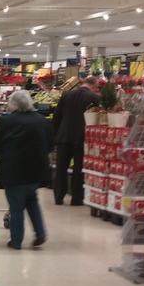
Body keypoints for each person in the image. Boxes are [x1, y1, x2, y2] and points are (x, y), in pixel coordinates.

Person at [0, 90, 53, 250]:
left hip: (14, 170)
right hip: (36, 171)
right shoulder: (41, 120)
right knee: (32, 201)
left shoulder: (7, 121)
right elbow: (50, 144)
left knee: (16, 206)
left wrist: (4, 155)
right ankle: (40, 233)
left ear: (14, 104)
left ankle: (16, 241)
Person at [53, 76, 100, 206]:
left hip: (63, 137)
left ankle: (58, 197)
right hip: (82, 138)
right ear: (93, 86)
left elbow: (57, 116)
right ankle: (76, 198)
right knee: (79, 169)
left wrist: (56, 134)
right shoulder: (93, 97)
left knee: (61, 168)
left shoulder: (66, 95)